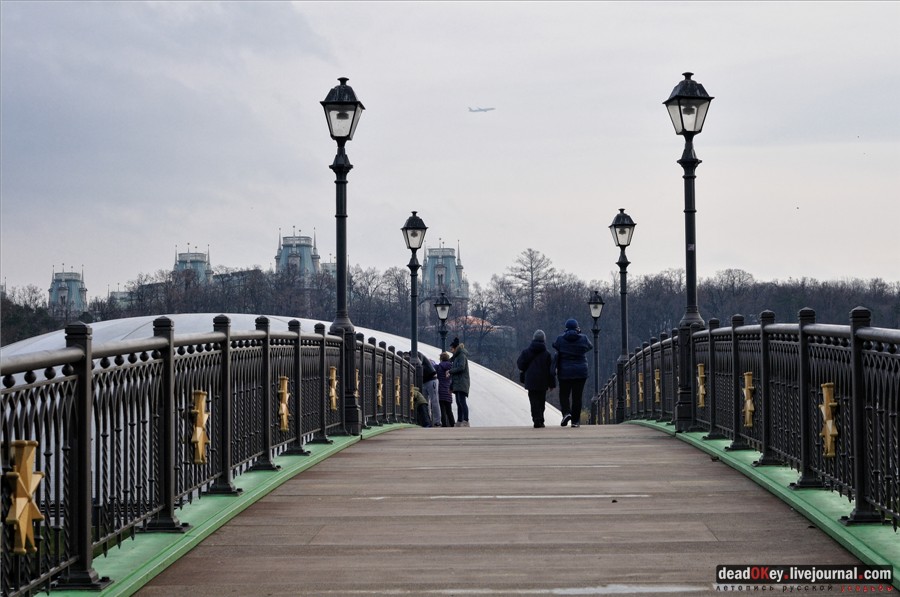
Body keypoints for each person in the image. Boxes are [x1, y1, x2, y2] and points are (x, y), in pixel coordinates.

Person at [552, 318, 592, 428]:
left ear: (566, 328)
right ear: (577, 328)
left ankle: (566, 413)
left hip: (565, 372)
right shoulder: (583, 338)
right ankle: (575, 421)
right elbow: (590, 346)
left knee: (564, 394)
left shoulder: (560, 339)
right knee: (577, 397)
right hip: (580, 371)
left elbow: (555, 345)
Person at [517, 329, 556, 428]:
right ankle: (541, 419)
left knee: (533, 401)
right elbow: (551, 371)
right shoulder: (547, 354)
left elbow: (520, 365)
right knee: (541, 401)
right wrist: (552, 384)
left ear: (533, 339)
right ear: (544, 340)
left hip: (531, 381)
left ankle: (536, 419)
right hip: (543, 382)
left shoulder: (526, 352)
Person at [449, 337, 470, 427]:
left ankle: (465, 420)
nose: (451, 351)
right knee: (458, 401)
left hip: (462, 382)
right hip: (458, 382)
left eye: (451, 349)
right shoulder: (457, 357)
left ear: (455, 348)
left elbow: (461, 367)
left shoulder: (461, 355)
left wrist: (450, 371)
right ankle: (459, 420)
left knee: (462, 401)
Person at [420, 353, 441, 427]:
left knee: (434, 401)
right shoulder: (421, 357)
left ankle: (437, 421)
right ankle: (428, 421)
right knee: (426, 402)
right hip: (425, 381)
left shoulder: (418, 356)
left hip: (431, 380)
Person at [436, 351, 454, 427]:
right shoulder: (451, 367)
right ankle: (452, 423)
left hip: (440, 389)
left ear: (441, 358)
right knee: (449, 409)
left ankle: (444, 424)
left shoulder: (439, 367)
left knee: (442, 409)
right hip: (448, 389)